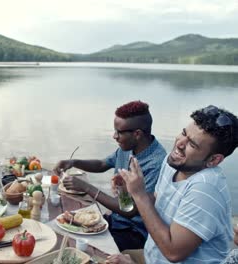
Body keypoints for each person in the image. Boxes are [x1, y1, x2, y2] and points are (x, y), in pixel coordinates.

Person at [119, 105, 238, 263]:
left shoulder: (206, 189)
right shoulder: (173, 162)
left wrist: (139, 194)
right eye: (183, 133)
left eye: (192, 144)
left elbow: (173, 253)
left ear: (213, 160)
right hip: (151, 257)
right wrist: (128, 190)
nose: (179, 144)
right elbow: (158, 200)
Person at [54, 100, 166, 251]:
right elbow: (102, 164)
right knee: (62, 229)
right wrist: (73, 162)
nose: (114, 136)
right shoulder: (127, 147)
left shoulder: (157, 164)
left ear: (137, 134)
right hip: (115, 221)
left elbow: (130, 210)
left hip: (134, 234)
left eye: (119, 132)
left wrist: (86, 187)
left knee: (80, 249)